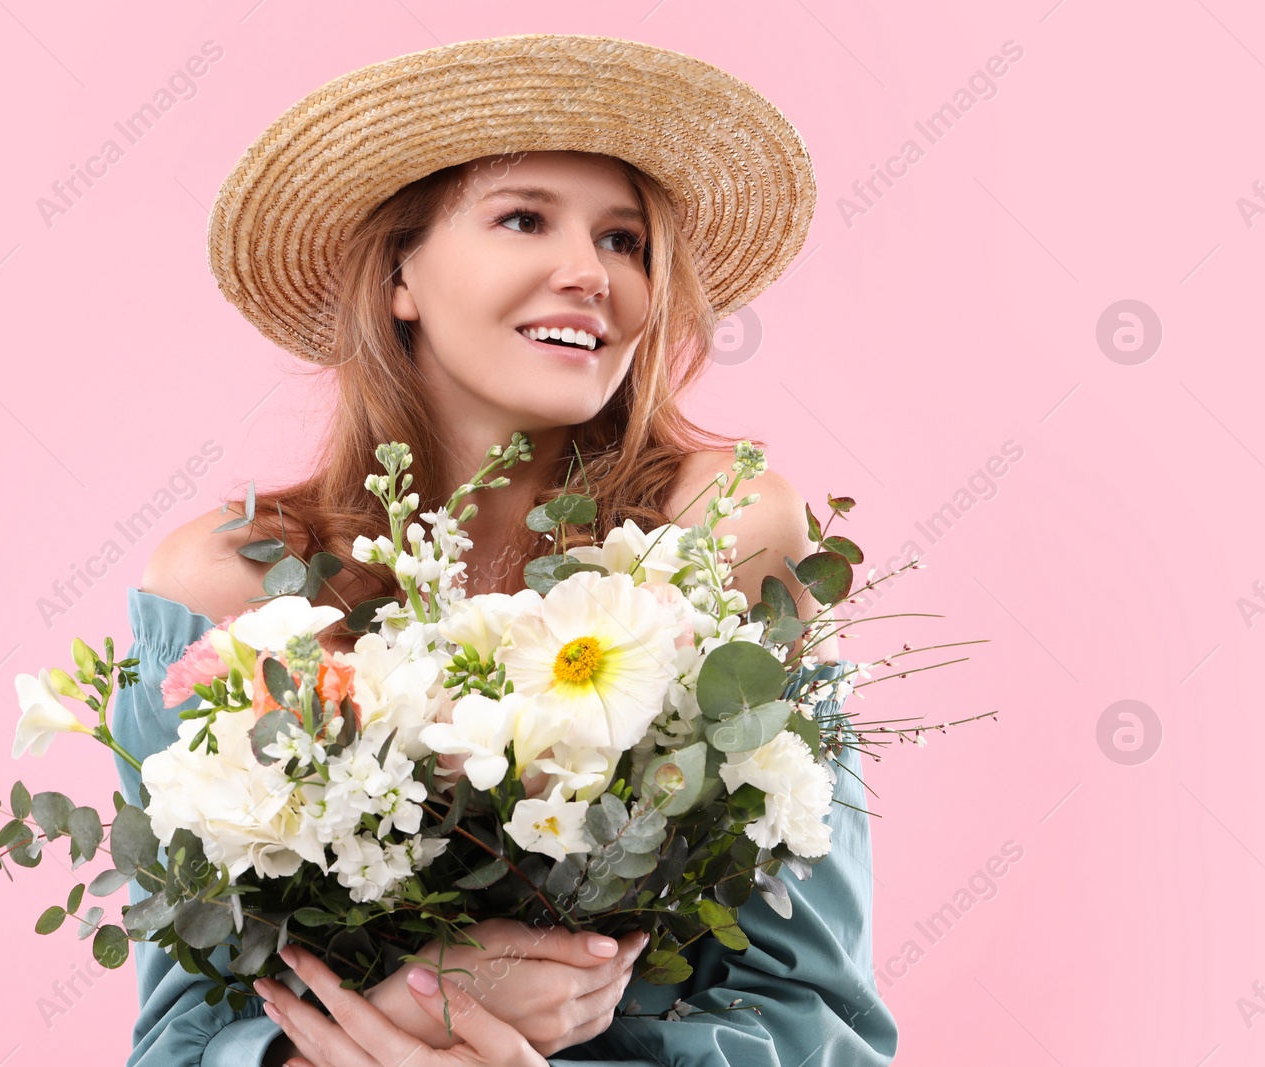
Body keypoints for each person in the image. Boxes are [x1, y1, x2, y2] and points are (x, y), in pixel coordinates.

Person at [114, 33, 899, 1067]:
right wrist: (407, 1022)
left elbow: (815, 1014)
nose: (590, 274)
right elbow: (183, 1034)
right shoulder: (227, 587)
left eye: (625, 241)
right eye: (524, 218)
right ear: (399, 274)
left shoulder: (725, 532)